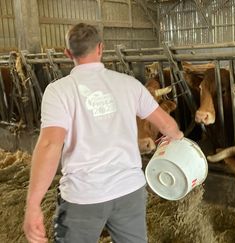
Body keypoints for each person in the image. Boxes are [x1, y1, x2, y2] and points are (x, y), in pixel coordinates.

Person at [23, 23, 183, 243]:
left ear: (67, 53)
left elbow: (50, 145)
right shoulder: (130, 85)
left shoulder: (58, 91)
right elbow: (168, 127)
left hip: (82, 196)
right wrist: (181, 144)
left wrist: (33, 205)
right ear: (101, 48)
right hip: (130, 191)